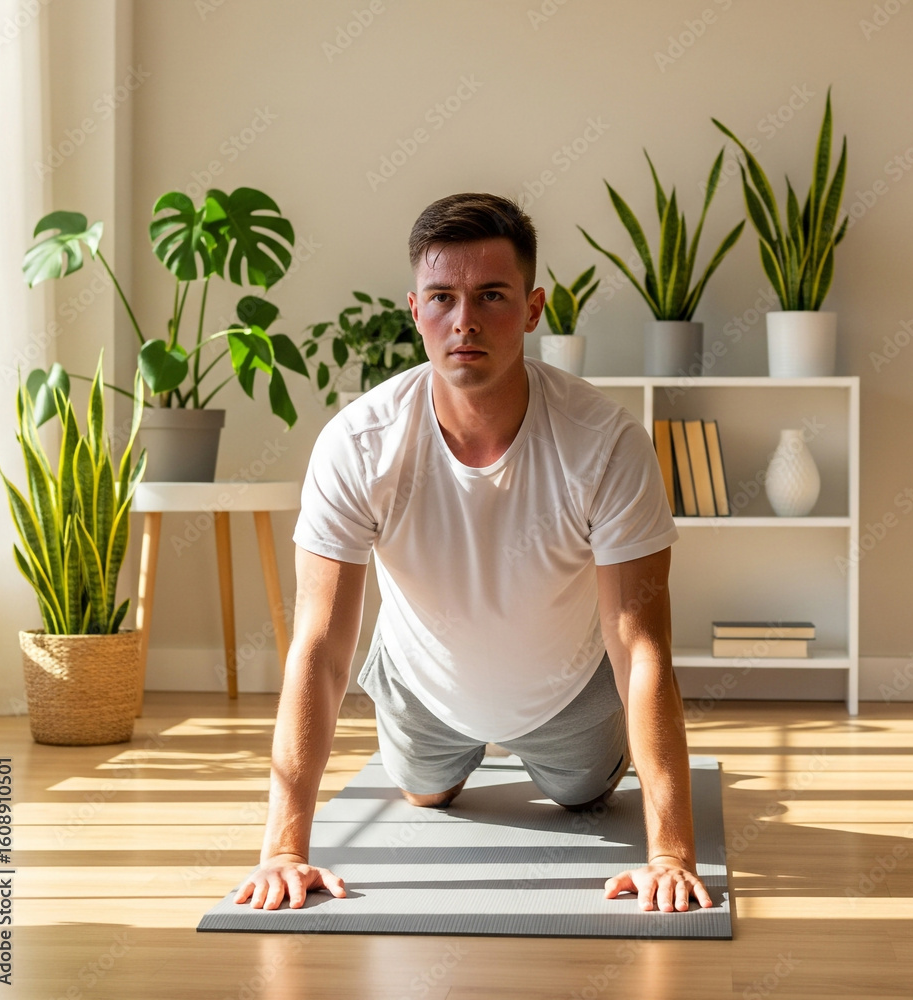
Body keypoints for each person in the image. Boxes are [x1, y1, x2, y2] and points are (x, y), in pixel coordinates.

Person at [233, 192, 712, 915]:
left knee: (581, 798)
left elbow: (640, 648)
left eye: (491, 295)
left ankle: (571, 763)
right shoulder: (359, 445)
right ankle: (440, 761)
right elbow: (321, 647)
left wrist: (671, 853)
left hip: (570, 697)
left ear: (532, 308)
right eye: (442, 297)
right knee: (426, 795)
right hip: (422, 689)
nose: (465, 320)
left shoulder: (607, 443)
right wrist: (283, 850)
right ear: (415, 310)